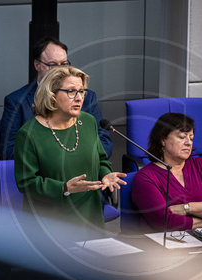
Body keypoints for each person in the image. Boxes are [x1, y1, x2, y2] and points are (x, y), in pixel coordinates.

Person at [14, 66, 125, 225]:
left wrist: (105, 174)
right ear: (51, 94)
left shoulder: (88, 121)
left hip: (90, 215)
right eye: (71, 91)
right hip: (51, 222)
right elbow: (26, 183)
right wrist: (64, 188)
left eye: (82, 91)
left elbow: (101, 159)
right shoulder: (29, 134)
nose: (79, 98)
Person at [0, 36, 112, 160]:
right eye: (52, 64)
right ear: (37, 65)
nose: (60, 70)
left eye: (64, 64)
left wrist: (76, 160)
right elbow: (8, 152)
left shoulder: (86, 96)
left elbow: (104, 143)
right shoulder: (17, 101)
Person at [131, 113, 202, 231]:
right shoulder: (145, 177)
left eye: (191, 138)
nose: (189, 142)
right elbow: (164, 222)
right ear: (163, 140)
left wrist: (186, 208)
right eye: (182, 137)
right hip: (168, 244)